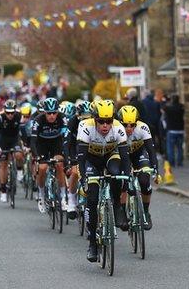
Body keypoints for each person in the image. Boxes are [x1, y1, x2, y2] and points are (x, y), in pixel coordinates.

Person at [76, 99, 131, 262]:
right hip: (91, 160)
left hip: (110, 156)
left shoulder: (118, 128)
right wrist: (84, 178)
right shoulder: (86, 128)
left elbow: (125, 159)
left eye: (109, 121)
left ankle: (116, 206)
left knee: (116, 174)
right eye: (101, 122)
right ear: (94, 120)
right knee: (92, 199)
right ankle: (93, 243)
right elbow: (81, 158)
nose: (105, 126)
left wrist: (125, 182)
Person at [117, 105, 161, 230]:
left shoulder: (143, 127)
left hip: (139, 154)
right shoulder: (115, 129)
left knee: (144, 180)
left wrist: (155, 171)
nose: (129, 128)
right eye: (125, 125)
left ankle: (146, 212)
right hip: (122, 155)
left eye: (132, 125)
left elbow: (151, 151)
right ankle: (123, 214)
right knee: (122, 182)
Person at [30, 98, 67, 213]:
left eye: (54, 113)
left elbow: (66, 138)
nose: (51, 116)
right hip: (42, 144)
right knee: (42, 168)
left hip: (56, 143)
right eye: (48, 113)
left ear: (58, 112)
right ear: (44, 112)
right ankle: (41, 196)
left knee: (59, 166)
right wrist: (36, 156)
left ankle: (63, 198)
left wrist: (66, 154)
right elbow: (33, 141)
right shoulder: (38, 120)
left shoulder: (62, 118)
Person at [63, 100, 91, 219]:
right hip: (76, 147)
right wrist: (68, 160)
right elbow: (67, 143)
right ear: (78, 115)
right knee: (75, 172)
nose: (85, 120)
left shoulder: (95, 123)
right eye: (83, 118)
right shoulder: (73, 122)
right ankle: (72, 200)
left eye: (88, 117)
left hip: (91, 148)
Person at [0, 99, 24, 203]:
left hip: (15, 139)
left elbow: (23, 129)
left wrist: (26, 143)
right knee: (3, 165)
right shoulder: (0, 117)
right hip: (3, 141)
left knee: (19, 155)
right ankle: (3, 191)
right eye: (8, 113)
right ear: (4, 111)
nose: (10, 115)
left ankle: (19, 171)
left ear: (15, 111)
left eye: (12, 113)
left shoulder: (19, 115)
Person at [163, 94, 185, 167]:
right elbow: (182, 107)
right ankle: (179, 162)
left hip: (171, 130)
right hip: (180, 130)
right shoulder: (181, 108)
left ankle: (172, 162)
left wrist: (166, 101)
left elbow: (163, 108)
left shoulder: (169, 108)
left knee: (170, 148)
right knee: (180, 147)